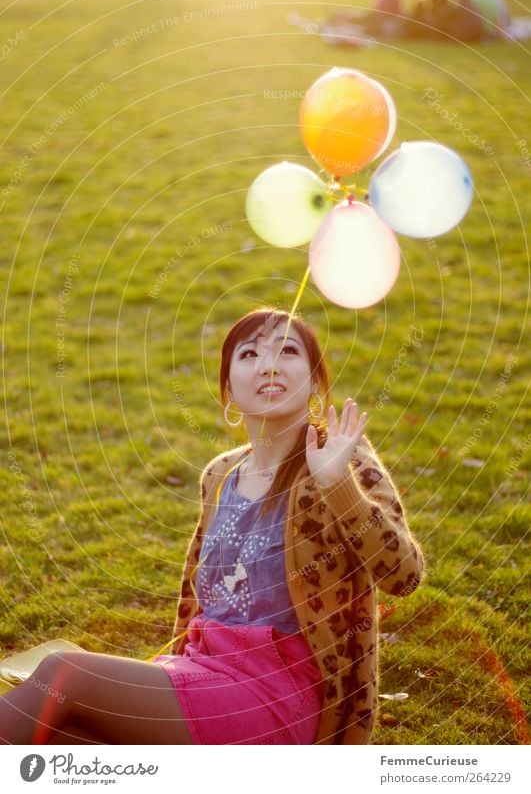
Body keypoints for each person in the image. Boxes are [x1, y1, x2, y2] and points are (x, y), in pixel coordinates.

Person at [0, 308, 424, 745]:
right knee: (65, 734)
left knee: (67, 675)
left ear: (315, 380)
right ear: (228, 389)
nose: (269, 365)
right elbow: (196, 601)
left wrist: (339, 485)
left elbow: (404, 575)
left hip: (276, 695)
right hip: (201, 670)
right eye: (249, 354)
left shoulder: (341, 460)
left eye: (288, 350)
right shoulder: (220, 473)